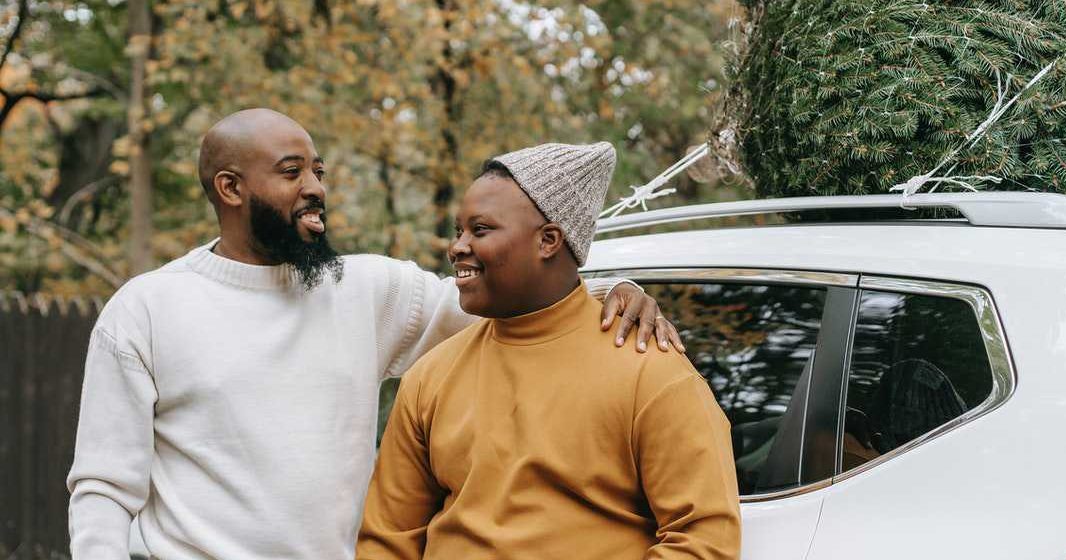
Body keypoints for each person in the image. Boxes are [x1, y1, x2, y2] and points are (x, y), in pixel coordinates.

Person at [65, 109, 685, 559]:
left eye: (318, 170)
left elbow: (519, 300)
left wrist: (612, 291)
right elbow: (103, 489)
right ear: (230, 188)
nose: (316, 188)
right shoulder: (147, 309)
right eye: (291, 172)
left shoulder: (366, 290)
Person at [358, 142, 741, 559]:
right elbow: (387, 541)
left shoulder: (650, 371)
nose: (457, 247)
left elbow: (704, 541)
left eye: (480, 230)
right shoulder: (429, 377)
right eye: (458, 231)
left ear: (549, 241)